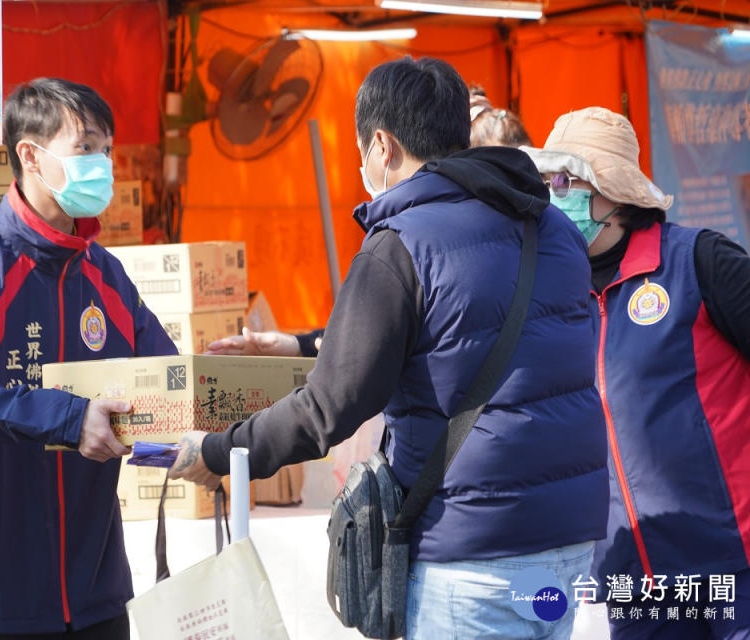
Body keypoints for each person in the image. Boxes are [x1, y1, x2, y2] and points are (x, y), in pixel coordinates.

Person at [172, 56, 609, 639]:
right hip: (565, 544)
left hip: (468, 554)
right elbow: (456, 336)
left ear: (381, 145)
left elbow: (330, 405)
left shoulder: (400, 243)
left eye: (360, 150)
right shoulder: (552, 228)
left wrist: (223, 449)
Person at [0, 78, 177, 639]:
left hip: (95, 574)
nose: (102, 164)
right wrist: (69, 418)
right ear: (30, 155)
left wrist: (208, 430)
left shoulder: (106, 275)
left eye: (106, 150)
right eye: (86, 149)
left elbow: (162, 378)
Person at [523, 107, 750, 639]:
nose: (555, 197)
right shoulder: (553, 295)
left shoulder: (698, 262)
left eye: (565, 181)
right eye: (547, 182)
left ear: (614, 191)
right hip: (636, 587)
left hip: (733, 567)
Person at [206, 85, 531, 360]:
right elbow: (378, 336)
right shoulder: (548, 229)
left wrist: (219, 438)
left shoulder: (411, 243)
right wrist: (298, 345)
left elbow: (346, 386)